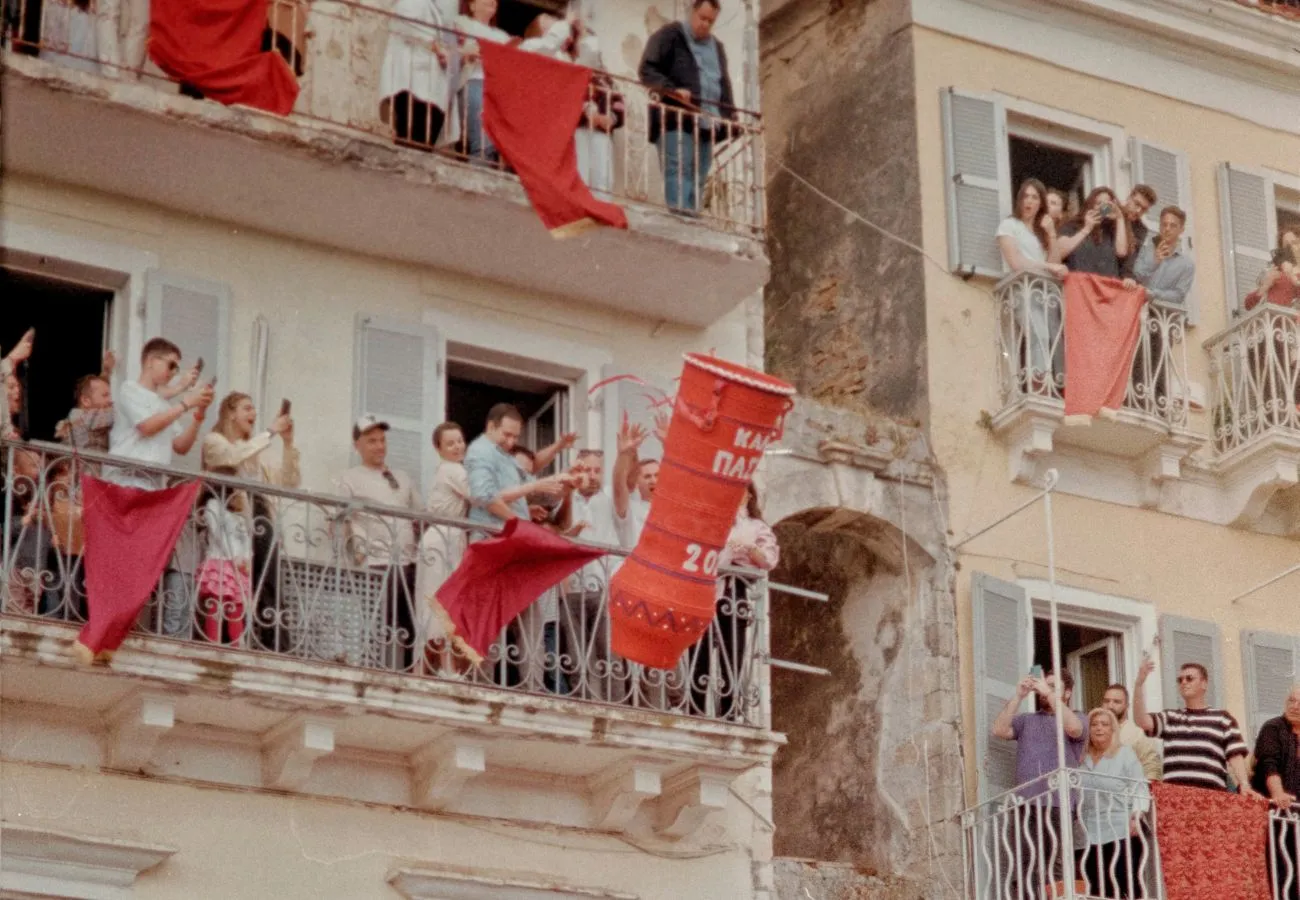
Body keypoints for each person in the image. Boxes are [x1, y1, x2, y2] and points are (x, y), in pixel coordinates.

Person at [108, 337, 214, 638]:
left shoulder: (163, 404)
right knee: (126, 562)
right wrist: (185, 402)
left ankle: (132, 625)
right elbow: (147, 427)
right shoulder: (130, 389)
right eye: (170, 365)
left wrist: (198, 416)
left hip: (153, 490)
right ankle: (117, 625)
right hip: (127, 484)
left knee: (144, 564)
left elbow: (180, 446)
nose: (173, 372)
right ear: (151, 361)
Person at [200, 392, 298, 651]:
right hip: (232, 520)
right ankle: (226, 644)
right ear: (231, 413)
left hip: (261, 515)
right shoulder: (214, 440)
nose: (253, 413)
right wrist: (270, 432)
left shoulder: (257, 452)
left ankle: (275, 646)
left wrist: (288, 443)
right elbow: (231, 457)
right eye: (247, 408)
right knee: (230, 587)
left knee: (269, 583)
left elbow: (289, 481)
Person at [333, 415, 423, 671]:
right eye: (372, 441)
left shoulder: (402, 477)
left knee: (411, 626)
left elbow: (421, 514)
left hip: (409, 562)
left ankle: (409, 675)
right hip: (376, 563)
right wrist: (356, 553)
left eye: (382, 440)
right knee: (380, 624)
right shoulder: (349, 478)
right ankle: (377, 672)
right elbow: (339, 520)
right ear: (357, 445)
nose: (379, 446)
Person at [990, 668, 1086, 889]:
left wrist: (1048, 693)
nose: (1044, 690)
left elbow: (1074, 729)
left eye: (1053, 686)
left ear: (1068, 693)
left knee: (1055, 864)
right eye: (1044, 685)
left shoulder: (1078, 716)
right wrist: (1019, 696)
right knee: (1026, 865)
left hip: (1058, 803)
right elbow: (999, 730)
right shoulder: (1027, 720)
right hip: (1026, 804)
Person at [638, 0, 736, 215]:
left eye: (711, 21)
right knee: (679, 169)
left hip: (708, 122)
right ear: (692, 12)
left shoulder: (717, 47)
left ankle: (692, 219)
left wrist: (731, 118)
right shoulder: (670, 35)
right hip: (676, 118)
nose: (705, 24)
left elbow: (723, 83)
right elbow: (647, 69)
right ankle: (681, 219)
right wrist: (672, 90)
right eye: (702, 18)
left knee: (699, 175)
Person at [692, 482, 778, 721]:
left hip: (734, 592)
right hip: (706, 590)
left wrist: (748, 549)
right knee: (699, 650)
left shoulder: (756, 526)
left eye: (740, 489)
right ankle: (695, 707)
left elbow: (768, 560)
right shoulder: (713, 520)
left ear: (749, 495)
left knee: (732, 652)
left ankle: (730, 710)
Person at [1131, 658, 1258, 797]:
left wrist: (1244, 784)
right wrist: (1139, 684)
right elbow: (1141, 721)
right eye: (1180, 680)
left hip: (1211, 799)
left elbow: (1235, 755)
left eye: (1189, 678)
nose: (1183, 682)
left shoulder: (1223, 719)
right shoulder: (1170, 718)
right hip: (1175, 799)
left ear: (1204, 684)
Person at [414, 421, 472, 677]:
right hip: (443, 540)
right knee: (442, 602)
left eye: (459, 441)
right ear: (439, 449)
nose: (457, 446)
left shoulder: (449, 470)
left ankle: (424, 666)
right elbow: (480, 495)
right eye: (450, 443)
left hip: (444, 539)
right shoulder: (453, 470)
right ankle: (446, 664)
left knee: (435, 602)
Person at [562, 449, 620, 700]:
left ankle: (616, 708)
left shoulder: (609, 501)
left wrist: (626, 453)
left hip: (602, 587)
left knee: (610, 656)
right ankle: (588, 705)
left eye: (597, 470)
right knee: (577, 658)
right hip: (571, 587)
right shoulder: (565, 501)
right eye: (587, 470)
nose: (593, 475)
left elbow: (625, 479)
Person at [1076, 707, 1150, 900]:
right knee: (1099, 890)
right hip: (1090, 833)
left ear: (1113, 730)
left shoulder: (1124, 753)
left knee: (1127, 885)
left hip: (1122, 829)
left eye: (1104, 724)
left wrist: (1137, 815)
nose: (1099, 728)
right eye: (1094, 724)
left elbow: (1139, 786)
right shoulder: (1081, 759)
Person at [380, 0, 460, 151]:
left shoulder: (434, 9)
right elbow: (407, 24)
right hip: (414, 83)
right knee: (413, 135)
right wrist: (436, 46)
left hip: (429, 86)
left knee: (425, 137)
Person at [195, 466, 253, 646]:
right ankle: (213, 643)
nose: (239, 488)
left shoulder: (236, 512)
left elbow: (246, 537)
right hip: (221, 561)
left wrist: (245, 557)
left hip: (238, 565)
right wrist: (234, 556)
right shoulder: (213, 505)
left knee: (236, 608)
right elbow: (217, 534)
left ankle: (236, 646)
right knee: (216, 604)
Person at [1254, 684, 1300, 900]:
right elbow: (1268, 764)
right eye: (1292, 700)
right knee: (1279, 871)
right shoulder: (1273, 728)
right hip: (1273, 815)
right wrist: (1279, 795)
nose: (1295, 706)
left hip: (1296, 816)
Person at [456, 0, 510, 166]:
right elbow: (451, 48)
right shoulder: (461, 23)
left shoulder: (503, 36)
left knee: (490, 140)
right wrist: (467, 52)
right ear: (472, 6)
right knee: (482, 137)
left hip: (496, 89)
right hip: (473, 81)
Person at [1053, 186, 1131, 278]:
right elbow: (1058, 253)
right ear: (1090, 205)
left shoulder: (1111, 229)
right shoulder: (1073, 226)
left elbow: (1121, 252)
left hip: (1105, 284)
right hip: (1080, 283)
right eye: (1098, 203)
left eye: (1107, 204)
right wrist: (1086, 229)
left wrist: (1120, 218)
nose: (1103, 208)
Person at [1128, 205, 1194, 307]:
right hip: (1136, 307)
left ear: (1181, 230)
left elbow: (1179, 295)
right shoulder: (1144, 249)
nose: (1167, 229)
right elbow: (1135, 276)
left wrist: (1154, 294)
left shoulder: (1187, 264)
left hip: (1163, 314)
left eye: (1173, 225)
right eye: (1164, 224)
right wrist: (1154, 262)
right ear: (1159, 226)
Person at [56, 352, 119, 452]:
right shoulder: (84, 418)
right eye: (105, 395)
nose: (111, 400)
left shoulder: (80, 417)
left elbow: (97, 390)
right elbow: (116, 414)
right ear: (85, 401)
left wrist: (106, 372)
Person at [1101, 683, 1162, 782]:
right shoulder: (1094, 731)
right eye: (1106, 701)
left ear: (1127, 706)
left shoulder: (1138, 733)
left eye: (1117, 702)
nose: (1110, 706)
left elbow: (1152, 768)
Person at [611, 418, 657, 549]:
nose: (653, 480)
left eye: (657, 475)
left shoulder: (671, 508)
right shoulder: (631, 509)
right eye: (647, 476)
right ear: (637, 481)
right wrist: (623, 455)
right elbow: (619, 486)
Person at [1244, 229, 1300, 311]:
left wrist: (1292, 276)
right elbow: (1248, 305)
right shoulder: (1273, 271)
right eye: (1286, 245)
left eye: (1294, 242)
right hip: (1271, 317)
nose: (1290, 247)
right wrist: (1266, 285)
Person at [1118, 184, 1158, 278]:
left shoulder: (1141, 229)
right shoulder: (1113, 208)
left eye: (1144, 209)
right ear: (1129, 198)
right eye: (1137, 204)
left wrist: (1128, 276)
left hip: (1116, 276)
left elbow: (1132, 257)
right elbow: (1097, 211)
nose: (1138, 211)